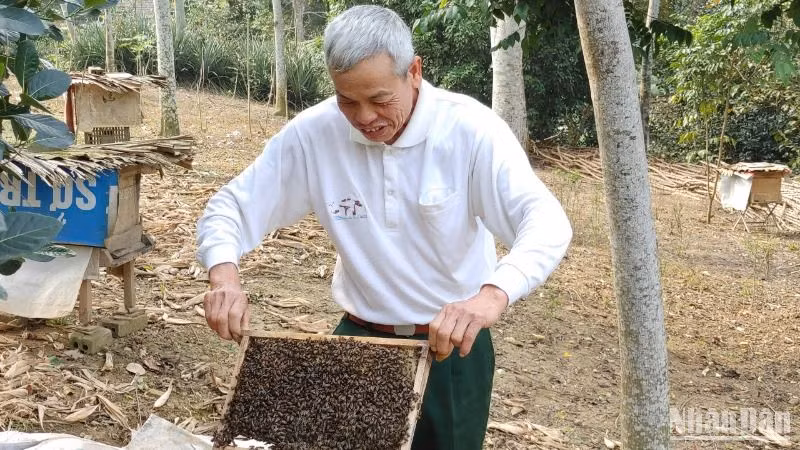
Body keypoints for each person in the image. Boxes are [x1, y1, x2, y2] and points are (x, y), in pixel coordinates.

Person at [196, 5, 572, 449]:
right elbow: (230, 207)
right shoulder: (314, 133)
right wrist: (225, 278)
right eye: (346, 100)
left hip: (451, 350)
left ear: (414, 71)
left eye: (379, 99)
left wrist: (491, 296)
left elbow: (546, 222)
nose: (364, 116)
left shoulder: (470, 130)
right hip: (357, 340)